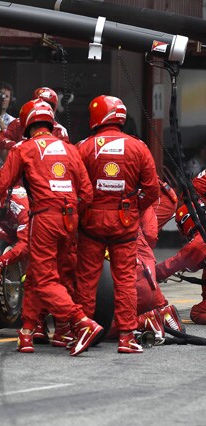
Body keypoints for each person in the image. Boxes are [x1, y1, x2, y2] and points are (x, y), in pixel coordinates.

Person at [0, 99, 101, 356]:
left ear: (26, 123)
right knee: (51, 276)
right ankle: (31, 331)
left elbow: (0, 187)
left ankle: (81, 322)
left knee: (43, 280)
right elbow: (87, 193)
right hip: (70, 219)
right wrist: (71, 213)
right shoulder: (70, 149)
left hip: (44, 218)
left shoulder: (24, 149)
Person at [74, 95, 160, 354]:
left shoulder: (84, 147)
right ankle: (126, 337)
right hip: (124, 223)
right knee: (125, 280)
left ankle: (83, 332)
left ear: (96, 116)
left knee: (87, 280)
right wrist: (133, 208)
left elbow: (74, 187)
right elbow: (152, 190)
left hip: (91, 223)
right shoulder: (139, 147)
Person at [156, 203, 206, 325]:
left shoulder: (199, 242)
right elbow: (195, 262)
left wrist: (152, 273)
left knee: (197, 312)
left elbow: (177, 262)